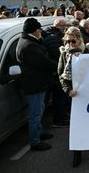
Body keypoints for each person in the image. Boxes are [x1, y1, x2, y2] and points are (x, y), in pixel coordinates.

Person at [16, 18, 57, 151]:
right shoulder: (29, 46)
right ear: (35, 31)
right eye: (39, 29)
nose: (41, 31)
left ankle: (39, 132)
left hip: (37, 82)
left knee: (40, 109)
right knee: (35, 114)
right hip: (34, 84)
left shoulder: (28, 41)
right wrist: (59, 66)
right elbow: (44, 62)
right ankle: (35, 141)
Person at [57, 27, 87, 167]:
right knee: (77, 125)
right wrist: (68, 90)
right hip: (74, 96)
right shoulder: (64, 53)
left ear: (79, 39)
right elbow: (61, 75)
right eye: (67, 41)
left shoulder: (87, 52)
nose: (69, 44)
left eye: (73, 41)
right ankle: (77, 153)